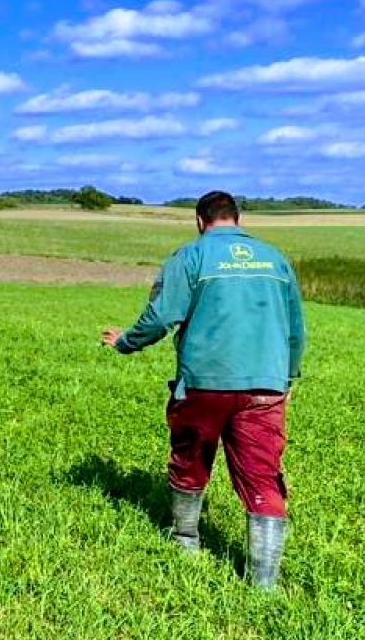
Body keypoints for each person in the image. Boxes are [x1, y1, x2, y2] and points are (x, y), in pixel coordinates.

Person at [102, 190, 306, 589]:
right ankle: (264, 583)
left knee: (191, 458)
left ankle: (185, 539)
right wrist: (289, 378)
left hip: (204, 383)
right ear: (238, 218)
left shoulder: (190, 257)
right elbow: (296, 330)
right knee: (263, 477)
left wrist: (125, 342)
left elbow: (161, 316)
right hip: (266, 384)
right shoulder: (276, 259)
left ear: (200, 221)